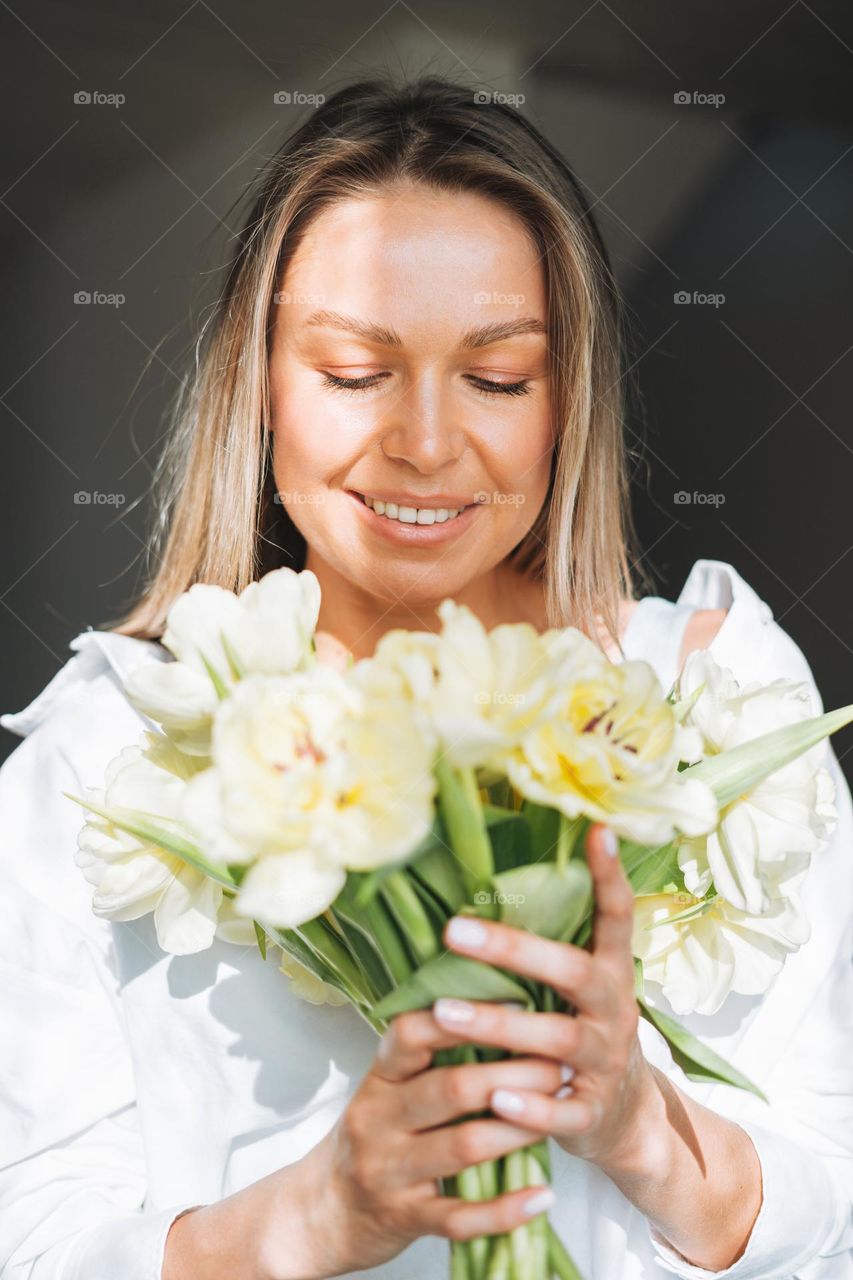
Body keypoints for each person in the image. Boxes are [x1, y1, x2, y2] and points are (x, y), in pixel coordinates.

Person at [0, 75, 850, 1280]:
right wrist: (318, 1216)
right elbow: (27, 1244)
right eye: (355, 371)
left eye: (499, 378)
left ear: (566, 403)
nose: (428, 444)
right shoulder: (107, 756)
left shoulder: (710, 691)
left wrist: (640, 1126)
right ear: (261, 390)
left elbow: (840, 1198)